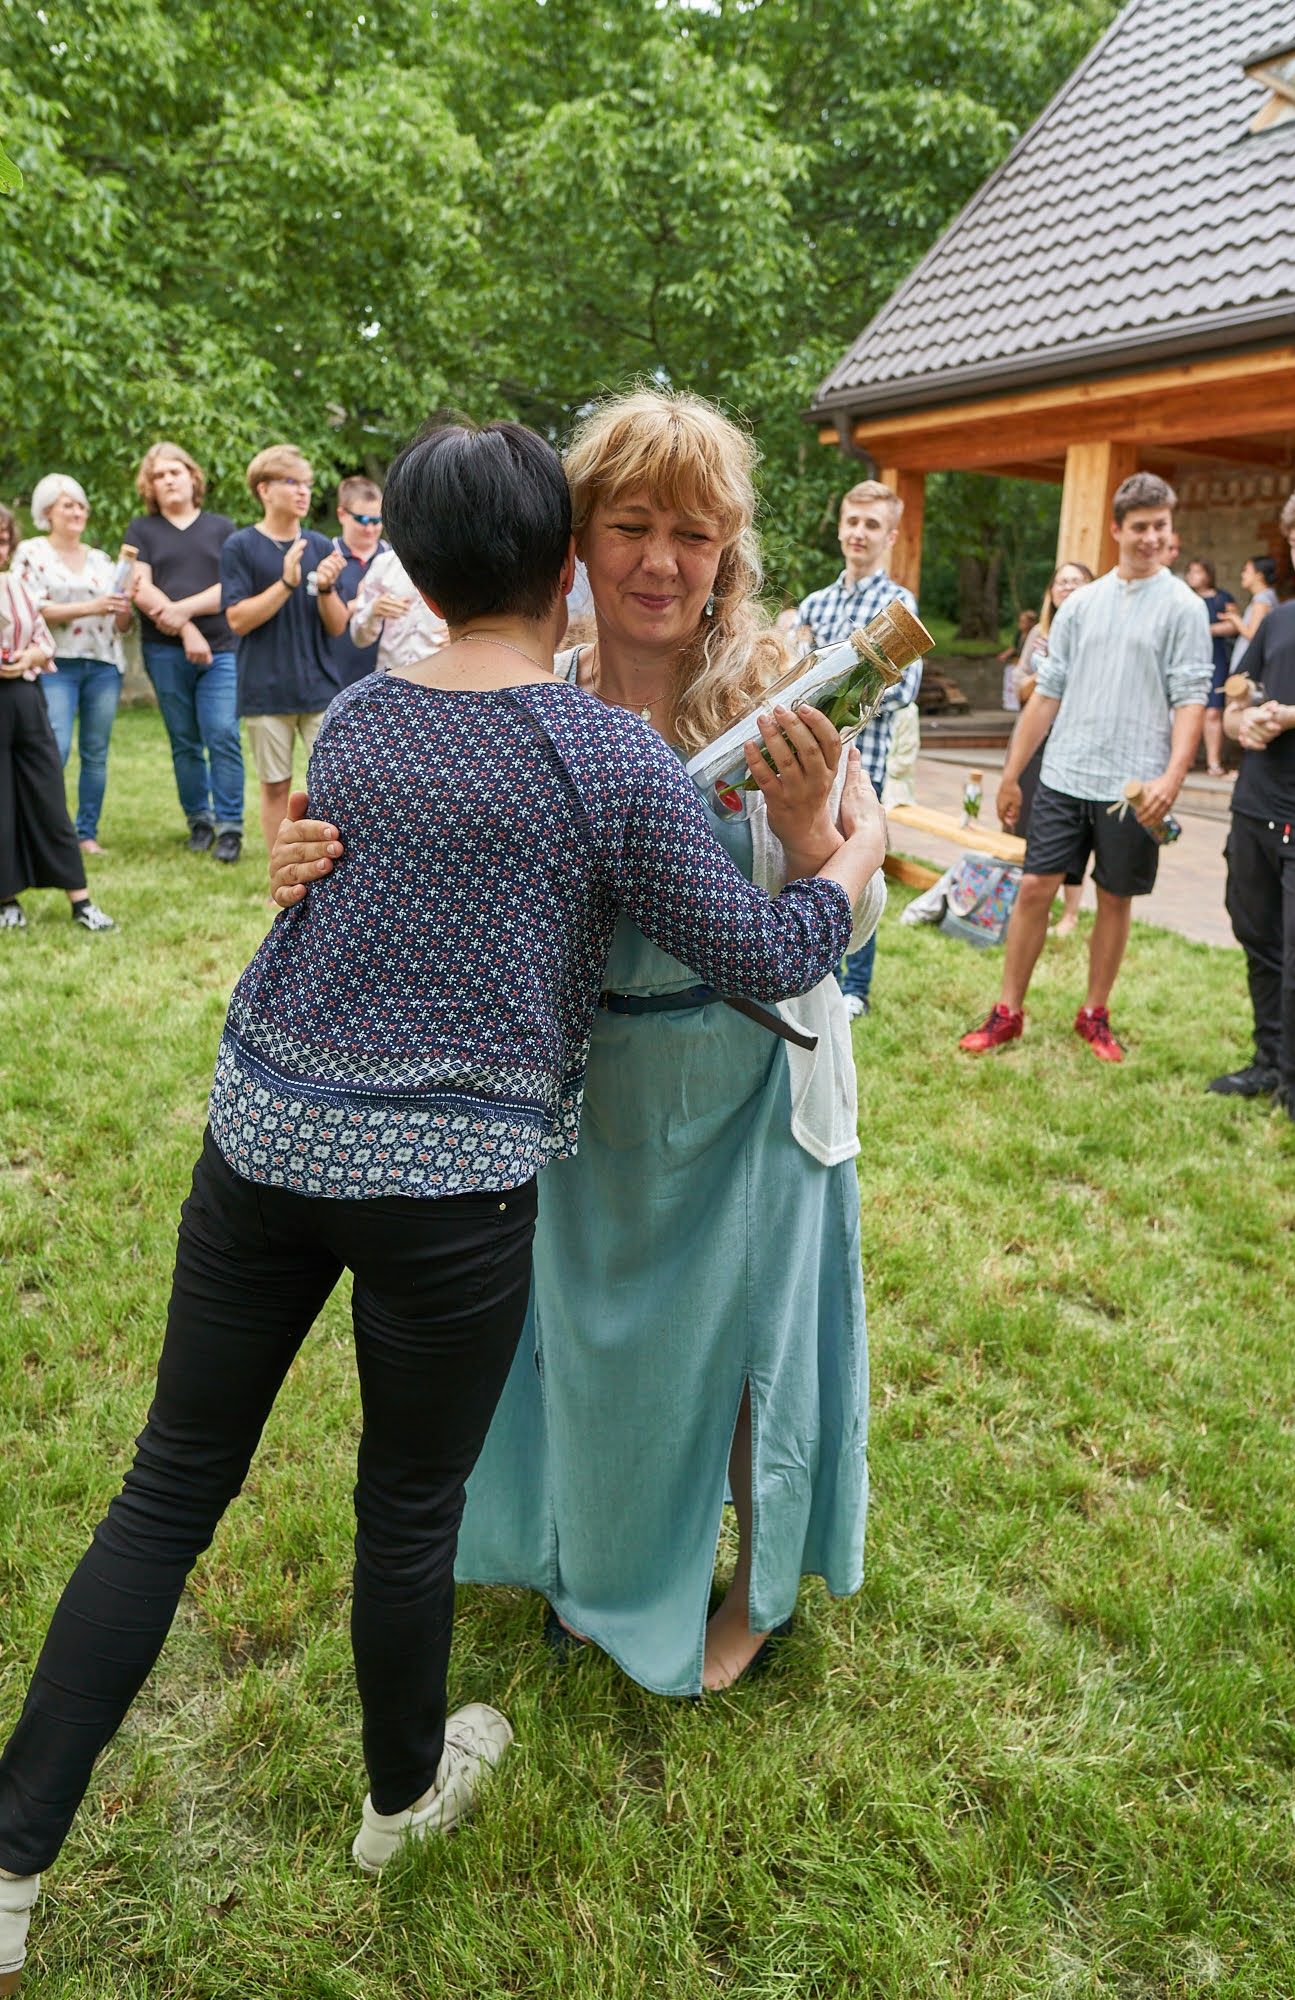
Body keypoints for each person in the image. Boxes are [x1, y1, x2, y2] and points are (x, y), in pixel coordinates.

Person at [0, 419, 886, 1989]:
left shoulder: (353, 720)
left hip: (262, 1138)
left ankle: (8, 1867)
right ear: (564, 567)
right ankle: (399, 1798)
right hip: (449, 1189)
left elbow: (374, 868)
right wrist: (855, 857)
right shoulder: (597, 751)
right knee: (400, 1512)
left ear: (398, 558)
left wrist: (298, 877)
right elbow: (763, 958)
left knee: (165, 1490)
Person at [272, 388, 889, 1695]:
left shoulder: (783, 680)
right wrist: (310, 854)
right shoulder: (531, 689)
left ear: (731, 550)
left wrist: (818, 834)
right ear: (575, 542)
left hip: (746, 1082)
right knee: (588, 1345)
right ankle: (594, 1556)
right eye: (631, 525)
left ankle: (750, 1589)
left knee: (740, 1354)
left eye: (696, 532)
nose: (663, 562)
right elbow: (423, 853)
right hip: (581, 1088)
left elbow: (849, 902)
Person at [959, 473, 1211, 1062]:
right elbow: (1046, 693)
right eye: (1140, 527)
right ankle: (1007, 1012)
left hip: (1136, 786)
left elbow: (1192, 698)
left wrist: (1172, 779)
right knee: (1033, 889)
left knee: (1115, 897)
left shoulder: (1185, 608)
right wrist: (1010, 774)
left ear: (1170, 533)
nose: (1151, 538)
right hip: (1064, 775)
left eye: (1161, 528)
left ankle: (1094, 1013)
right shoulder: (1081, 606)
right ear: (1117, 530)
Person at [1210, 476, 1295, 1145]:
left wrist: (1290, 716)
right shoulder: (1277, 620)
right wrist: (1241, 723)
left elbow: (1288, 710)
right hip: (1254, 807)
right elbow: (1234, 699)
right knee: (1255, 933)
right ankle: (1266, 1062)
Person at [796, 477, 923, 1020]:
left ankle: (857, 988)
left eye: (872, 525)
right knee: (811, 866)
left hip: (858, 765)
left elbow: (905, 689)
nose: (859, 533)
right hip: (806, 763)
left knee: (860, 867)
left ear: (890, 536)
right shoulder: (816, 603)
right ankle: (817, 971)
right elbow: (795, 669)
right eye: (852, 521)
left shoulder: (897, 605)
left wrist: (840, 687)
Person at [219, 445, 348, 855]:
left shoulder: (319, 544)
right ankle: (283, 880)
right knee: (275, 787)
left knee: (331, 783)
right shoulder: (239, 546)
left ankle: (330, 872)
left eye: (307, 484)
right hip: (265, 689)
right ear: (263, 489)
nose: (303, 492)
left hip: (319, 689)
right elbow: (237, 619)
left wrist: (325, 587)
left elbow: (338, 624)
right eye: (291, 482)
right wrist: (287, 582)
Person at [125, 442, 245, 861]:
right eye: (157, 476)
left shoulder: (222, 527)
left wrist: (182, 612)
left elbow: (231, 586)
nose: (167, 480)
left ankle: (230, 827)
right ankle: (200, 821)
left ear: (193, 477)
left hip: (222, 651)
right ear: (150, 487)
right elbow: (139, 586)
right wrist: (187, 629)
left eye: (174, 472)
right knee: (185, 740)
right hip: (163, 651)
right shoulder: (142, 530)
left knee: (223, 733)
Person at [0, 502, 116, 934]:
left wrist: (28, 655)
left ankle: (80, 900)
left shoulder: (14, 585)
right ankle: (6, 898)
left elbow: (42, 641)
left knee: (48, 791)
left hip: (26, 698)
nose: (0, 548)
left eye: (4, 540)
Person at [11, 476, 132, 855]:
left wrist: (124, 610)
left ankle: (85, 834)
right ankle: (46, 829)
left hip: (103, 664)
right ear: (47, 513)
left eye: (81, 505)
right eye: (68, 505)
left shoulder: (101, 560)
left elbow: (120, 624)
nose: (78, 512)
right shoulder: (31, 553)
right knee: (55, 748)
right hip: (54, 663)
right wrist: (92, 606)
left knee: (95, 753)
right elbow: (30, 610)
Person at [1011, 561, 1094, 937]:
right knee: (1026, 817)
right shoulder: (1039, 637)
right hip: (1035, 737)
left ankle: (1070, 913)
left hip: (1076, 739)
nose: (1068, 588)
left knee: (1074, 826)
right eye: (1061, 582)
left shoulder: (1095, 633)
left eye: (1077, 582)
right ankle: (1022, 899)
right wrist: (1043, 678)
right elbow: (1020, 688)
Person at [325, 475, 388, 688]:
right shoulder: (326, 557)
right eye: (362, 520)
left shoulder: (395, 560)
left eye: (377, 520)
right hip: (335, 674)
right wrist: (364, 604)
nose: (370, 529)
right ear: (342, 514)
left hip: (385, 673)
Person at [348, 542, 448, 672]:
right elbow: (358, 638)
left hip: (442, 674)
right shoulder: (384, 563)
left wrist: (463, 633)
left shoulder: (456, 563)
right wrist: (373, 610)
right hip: (392, 675)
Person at [1186, 557, 1239, 777]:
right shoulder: (1184, 598)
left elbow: (1234, 624)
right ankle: (1186, 759)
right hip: (1189, 658)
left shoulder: (1222, 597)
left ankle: (1213, 761)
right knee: (1188, 708)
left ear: (1208, 574)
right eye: (1190, 572)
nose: (1192, 576)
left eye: (1197, 571)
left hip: (1215, 656)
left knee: (1213, 711)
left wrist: (1206, 630)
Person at [1222, 554, 1279, 674]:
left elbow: (1253, 634)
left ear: (1259, 575)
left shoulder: (1262, 600)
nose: (1242, 575)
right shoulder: (1267, 596)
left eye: (1246, 571)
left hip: (1249, 666)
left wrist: (1234, 618)